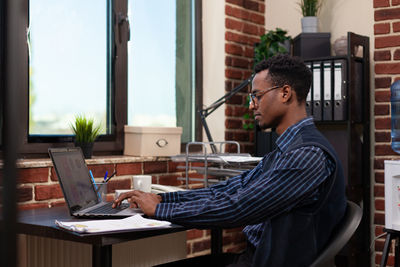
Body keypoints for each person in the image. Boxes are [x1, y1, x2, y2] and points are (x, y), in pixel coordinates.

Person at [113, 54, 347, 267]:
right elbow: (231, 189)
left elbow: (239, 207)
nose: (251, 105)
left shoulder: (306, 156)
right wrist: (163, 198)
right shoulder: (287, 150)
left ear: (285, 93)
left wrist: (161, 209)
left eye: (257, 96)